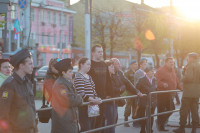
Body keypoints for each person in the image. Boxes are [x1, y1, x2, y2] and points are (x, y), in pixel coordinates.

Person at [0, 49, 38, 133]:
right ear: (21, 66)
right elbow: (3, 116)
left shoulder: (27, 83)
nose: (33, 66)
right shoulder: (9, 85)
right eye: (30, 64)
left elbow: (32, 110)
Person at [51, 58, 83, 133]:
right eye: (70, 72)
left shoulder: (66, 82)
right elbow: (69, 100)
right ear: (63, 73)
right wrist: (79, 98)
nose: (72, 73)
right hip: (64, 123)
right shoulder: (60, 84)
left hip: (69, 121)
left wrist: (77, 98)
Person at [173, 53, 200, 133]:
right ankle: (194, 129)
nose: (187, 59)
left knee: (184, 110)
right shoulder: (199, 65)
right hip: (196, 92)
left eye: (188, 57)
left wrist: (183, 76)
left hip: (188, 92)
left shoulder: (190, 65)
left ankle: (182, 128)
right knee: (195, 110)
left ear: (191, 58)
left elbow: (188, 78)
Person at [88, 45, 112, 133]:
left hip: (102, 98)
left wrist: (109, 94)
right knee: (92, 122)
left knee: (101, 121)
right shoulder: (89, 64)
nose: (101, 53)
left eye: (102, 52)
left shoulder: (104, 64)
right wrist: (92, 97)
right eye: (99, 52)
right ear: (93, 53)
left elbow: (108, 80)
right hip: (92, 99)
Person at [74, 57, 102, 132]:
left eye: (90, 64)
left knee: (92, 128)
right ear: (81, 64)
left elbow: (93, 90)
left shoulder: (89, 76)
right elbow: (81, 94)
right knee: (86, 128)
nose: (89, 66)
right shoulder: (78, 76)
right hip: (84, 107)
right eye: (88, 64)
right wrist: (94, 100)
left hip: (92, 106)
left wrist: (97, 98)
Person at [155, 57, 182, 131]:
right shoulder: (160, 70)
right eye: (170, 62)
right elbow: (156, 81)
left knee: (171, 109)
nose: (172, 63)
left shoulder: (172, 70)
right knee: (162, 110)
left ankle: (159, 122)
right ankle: (161, 126)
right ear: (166, 62)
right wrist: (163, 84)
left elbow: (176, 80)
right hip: (162, 93)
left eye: (173, 62)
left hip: (169, 93)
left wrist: (181, 88)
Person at [136, 66, 157, 133]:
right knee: (143, 115)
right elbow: (136, 88)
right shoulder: (141, 79)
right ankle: (142, 129)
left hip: (152, 100)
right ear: (147, 72)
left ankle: (150, 129)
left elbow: (156, 89)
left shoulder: (155, 79)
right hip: (144, 101)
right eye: (151, 71)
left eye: (153, 71)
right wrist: (139, 93)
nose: (153, 72)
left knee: (151, 115)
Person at [133, 58, 148, 127]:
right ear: (141, 65)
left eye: (146, 64)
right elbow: (138, 84)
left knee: (142, 108)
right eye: (144, 64)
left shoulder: (144, 72)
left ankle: (140, 121)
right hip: (139, 93)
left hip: (143, 93)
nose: (146, 65)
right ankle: (136, 122)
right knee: (138, 108)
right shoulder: (139, 72)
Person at [124, 60, 138, 127]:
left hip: (136, 92)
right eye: (135, 64)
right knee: (128, 106)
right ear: (131, 65)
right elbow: (126, 83)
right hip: (130, 92)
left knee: (135, 107)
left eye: (136, 64)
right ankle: (126, 120)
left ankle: (134, 121)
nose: (136, 65)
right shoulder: (127, 73)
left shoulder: (137, 72)